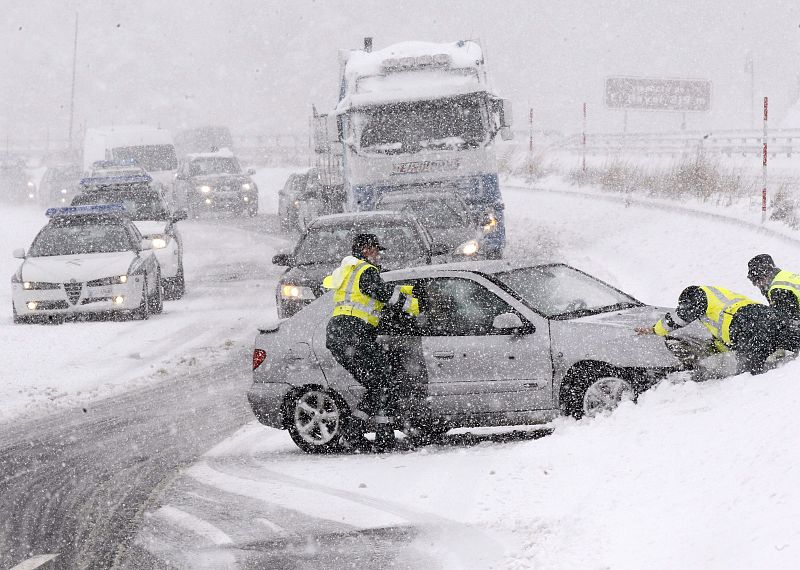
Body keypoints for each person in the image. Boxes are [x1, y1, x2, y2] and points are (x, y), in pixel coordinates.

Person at [323, 233, 419, 452]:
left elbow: (370, 296)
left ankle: (352, 434)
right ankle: (379, 438)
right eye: (376, 250)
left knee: (377, 385)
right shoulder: (366, 271)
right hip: (353, 335)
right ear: (366, 250)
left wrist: (408, 289)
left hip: (340, 335)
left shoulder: (350, 271)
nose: (379, 255)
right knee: (384, 381)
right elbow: (385, 295)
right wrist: (413, 306)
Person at [635, 285, 799, 375]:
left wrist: (655, 329)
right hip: (769, 317)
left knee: (748, 378)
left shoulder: (699, 293)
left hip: (746, 325)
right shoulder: (722, 300)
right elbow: (723, 342)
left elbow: (681, 315)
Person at [746, 254, 800, 319]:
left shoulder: (778, 289)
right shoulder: (786, 276)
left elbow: (789, 322)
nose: (756, 285)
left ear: (763, 276)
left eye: (755, 281)